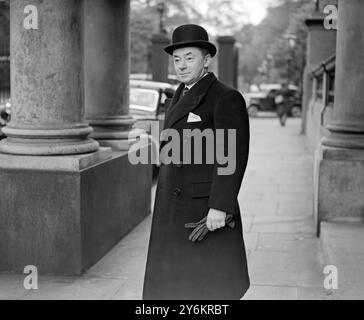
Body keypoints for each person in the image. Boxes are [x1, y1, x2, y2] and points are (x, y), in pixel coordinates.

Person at [142, 24, 250, 300]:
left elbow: (232, 156)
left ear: (206, 59)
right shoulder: (179, 93)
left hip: (201, 206)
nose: (181, 65)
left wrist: (220, 206)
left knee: (204, 284)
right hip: (172, 203)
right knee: (175, 281)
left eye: (189, 57)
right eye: (176, 59)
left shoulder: (225, 97)